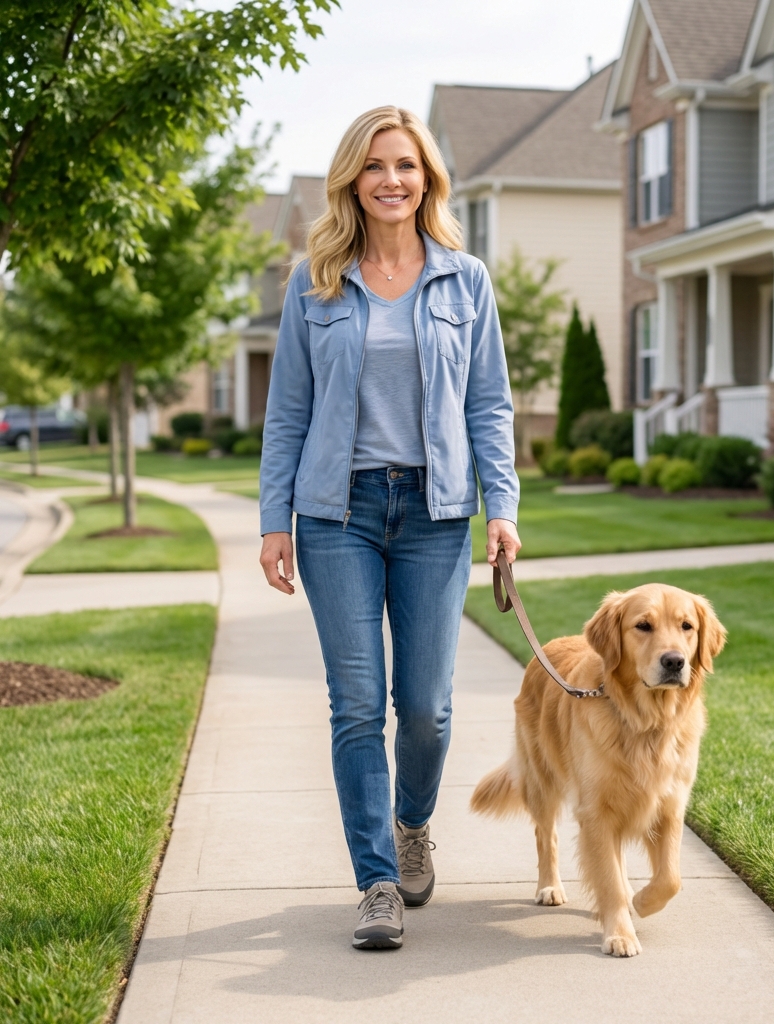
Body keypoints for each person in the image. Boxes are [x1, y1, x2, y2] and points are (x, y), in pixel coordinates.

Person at [257, 106, 521, 950]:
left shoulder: (465, 278)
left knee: (428, 709)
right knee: (357, 705)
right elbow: (287, 411)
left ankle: (412, 824)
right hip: (337, 512)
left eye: (406, 165)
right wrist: (275, 522)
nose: (392, 180)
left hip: (437, 512)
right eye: (375, 167)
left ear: (427, 178)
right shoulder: (317, 279)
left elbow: (489, 405)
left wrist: (503, 506)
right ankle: (377, 880)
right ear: (352, 180)